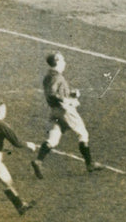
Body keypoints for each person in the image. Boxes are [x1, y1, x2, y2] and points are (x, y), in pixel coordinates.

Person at [31, 51, 104, 179]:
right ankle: (89, 164)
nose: (65, 63)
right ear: (57, 61)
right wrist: (65, 100)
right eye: (63, 60)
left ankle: (38, 161)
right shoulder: (56, 77)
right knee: (83, 134)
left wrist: (71, 94)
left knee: (53, 139)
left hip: (54, 112)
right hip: (65, 111)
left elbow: (55, 93)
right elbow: (52, 93)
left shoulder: (49, 76)